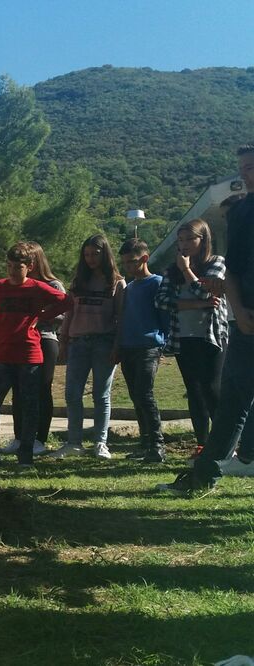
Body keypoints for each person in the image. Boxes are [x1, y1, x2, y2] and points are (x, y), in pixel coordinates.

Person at [158, 145, 254, 494]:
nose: (245, 175)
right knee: (233, 396)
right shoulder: (244, 212)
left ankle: (243, 458)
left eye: (251, 167)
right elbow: (234, 270)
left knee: (233, 395)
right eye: (242, 168)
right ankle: (206, 474)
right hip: (247, 321)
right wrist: (240, 310)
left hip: (219, 331)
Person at [0, 242, 72, 466]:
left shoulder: (37, 287)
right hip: (2, 356)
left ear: (30, 266)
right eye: (9, 266)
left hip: (29, 356)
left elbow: (66, 301)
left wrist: (42, 315)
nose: (12, 271)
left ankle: (26, 451)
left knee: (29, 405)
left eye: (18, 267)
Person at [154, 218, 228, 460]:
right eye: (181, 240)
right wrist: (199, 304)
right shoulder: (171, 270)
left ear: (203, 239)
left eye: (190, 239)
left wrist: (188, 271)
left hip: (211, 337)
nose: (184, 245)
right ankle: (202, 445)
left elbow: (208, 291)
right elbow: (161, 301)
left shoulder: (216, 263)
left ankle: (224, 446)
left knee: (211, 389)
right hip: (183, 337)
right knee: (194, 390)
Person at [51, 234, 126, 460]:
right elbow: (69, 314)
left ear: (105, 255)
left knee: (101, 395)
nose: (91, 258)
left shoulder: (117, 282)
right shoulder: (78, 282)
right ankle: (74, 442)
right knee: (72, 393)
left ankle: (100, 443)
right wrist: (63, 341)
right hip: (78, 343)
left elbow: (121, 317)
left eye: (95, 254)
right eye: (86, 255)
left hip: (104, 343)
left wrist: (117, 346)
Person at [3, 242, 65, 455]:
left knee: (41, 389)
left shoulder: (53, 284)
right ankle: (20, 437)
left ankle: (39, 439)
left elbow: (64, 312)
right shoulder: (17, 284)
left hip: (45, 340)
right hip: (20, 343)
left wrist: (40, 315)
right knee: (19, 391)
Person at [117, 238, 168, 462]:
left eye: (132, 262)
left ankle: (157, 445)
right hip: (128, 347)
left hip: (149, 346)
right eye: (125, 263)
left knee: (145, 394)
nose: (128, 267)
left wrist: (162, 344)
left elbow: (165, 316)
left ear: (144, 259)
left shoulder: (157, 283)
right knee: (135, 396)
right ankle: (144, 443)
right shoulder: (129, 288)